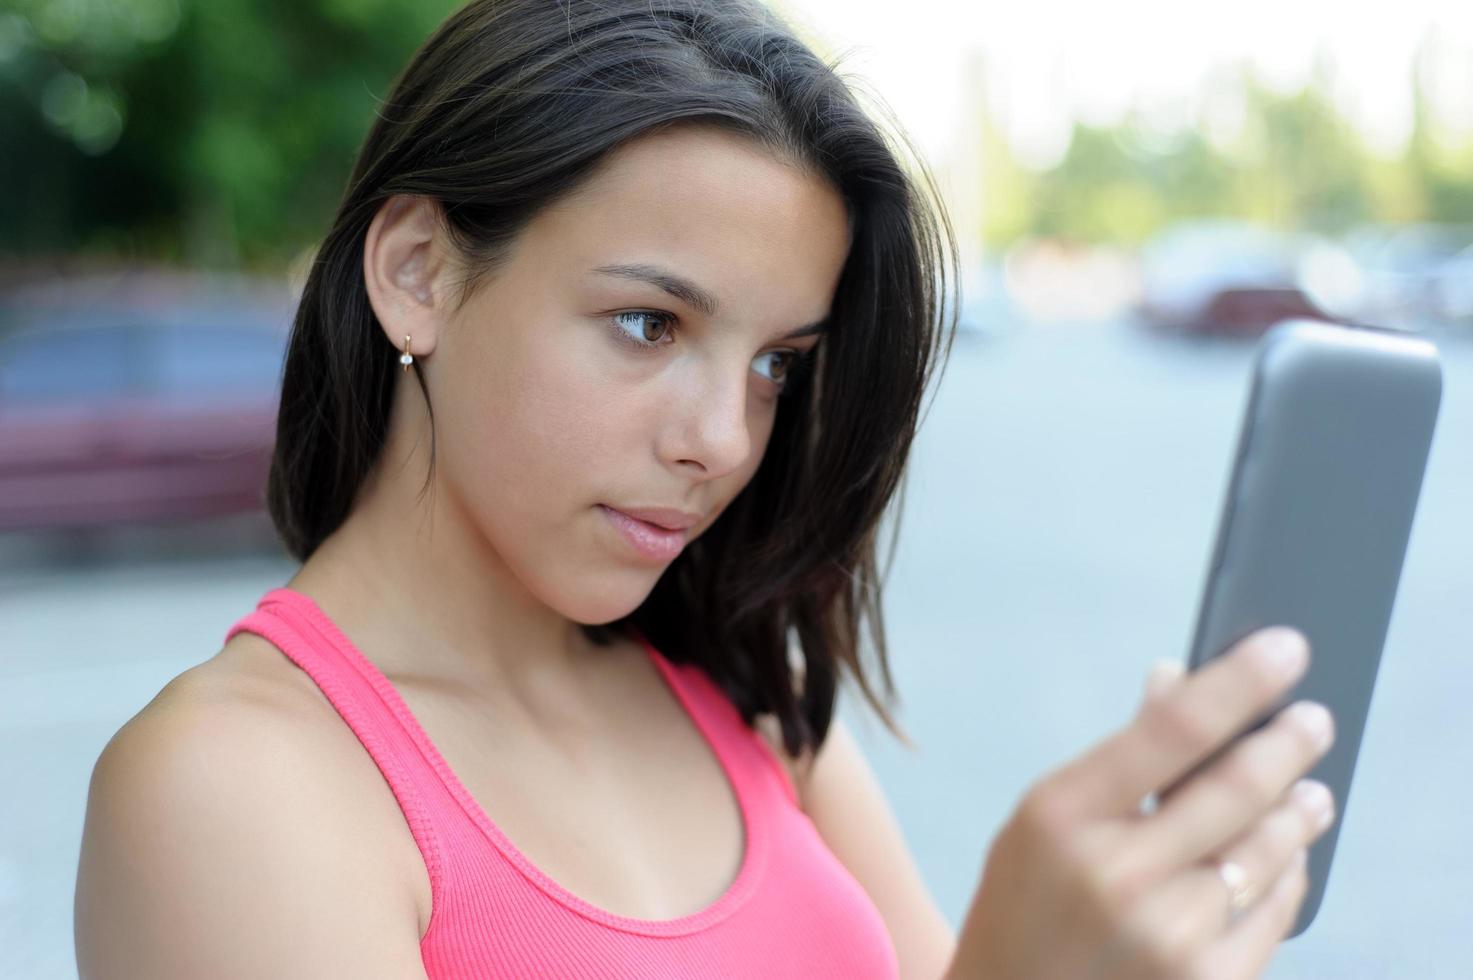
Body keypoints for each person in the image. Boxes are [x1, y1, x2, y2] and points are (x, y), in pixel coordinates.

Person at [73, 1, 1337, 977]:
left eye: (780, 363)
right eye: (646, 322)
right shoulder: (230, 782)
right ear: (416, 270)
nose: (725, 439)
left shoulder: (750, 697)